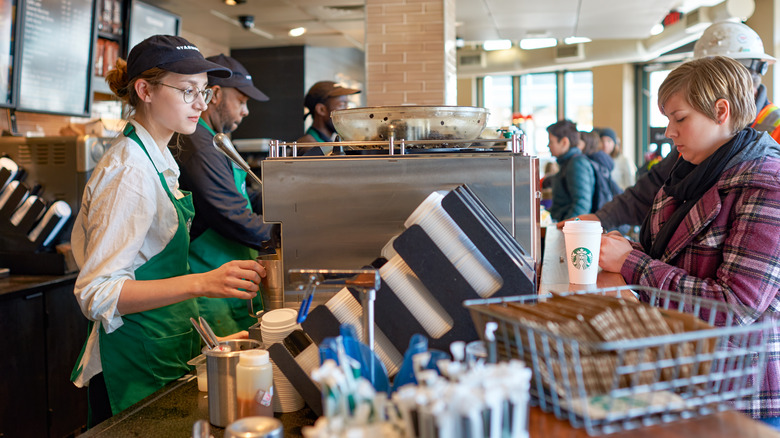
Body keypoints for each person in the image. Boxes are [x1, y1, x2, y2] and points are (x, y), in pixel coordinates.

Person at [69, 35, 266, 425]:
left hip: (164, 347)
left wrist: (213, 338)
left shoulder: (159, 157)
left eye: (204, 91)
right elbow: (97, 292)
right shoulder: (128, 171)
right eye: (187, 90)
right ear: (145, 90)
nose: (201, 103)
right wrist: (204, 283)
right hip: (133, 361)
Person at [599, 56, 780, 425]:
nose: (669, 132)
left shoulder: (767, 183)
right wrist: (627, 250)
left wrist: (631, 263)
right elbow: (672, 260)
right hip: (689, 374)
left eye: (679, 118)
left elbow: (736, 307)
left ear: (721, 111)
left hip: (741, 395)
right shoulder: (694, 175)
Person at [561, 21, 780, 231]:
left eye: (681, 118)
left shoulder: (772, 146)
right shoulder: (699, 139)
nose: (670, 132)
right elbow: (655, 186)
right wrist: (602, 218)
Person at [171, 54, 278, 337]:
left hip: (230, 280)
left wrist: (286, 198)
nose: (246, 112)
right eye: (241, 102)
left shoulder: (215, 140)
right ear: (216, 95)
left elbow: (242, 197)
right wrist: (286, 232)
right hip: (211, 287)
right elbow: (231, 215)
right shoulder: (200, 146)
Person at [546, 120, 595, 221]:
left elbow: (582, 205)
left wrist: (566, 228)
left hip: (571, 232)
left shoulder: (576, 164)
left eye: (551, 141)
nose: (548, 145)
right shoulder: (568, 163)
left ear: (564, 142)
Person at [296, 80, 360, 155]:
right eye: (342, 105)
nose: (347, 112)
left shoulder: (324, 143)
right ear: (321, 110)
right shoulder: (310, 147)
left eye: (347, 105)